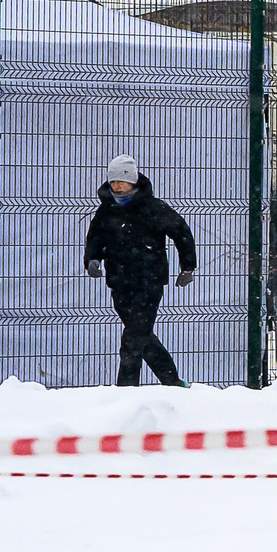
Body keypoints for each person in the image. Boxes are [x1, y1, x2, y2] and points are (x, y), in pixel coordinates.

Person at [84, 155, 197, 387]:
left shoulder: (154, 208)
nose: (116, 185)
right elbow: (95, 237)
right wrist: (92, 259)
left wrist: (188, 267)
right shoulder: (106, 210)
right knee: (141, 336)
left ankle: (127, 390)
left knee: (132, 339)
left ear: (133, 181)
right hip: (119, 281)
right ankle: (172, 382)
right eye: (113, 180)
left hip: (149, 282)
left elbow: (181, 233)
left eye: (122, 180)